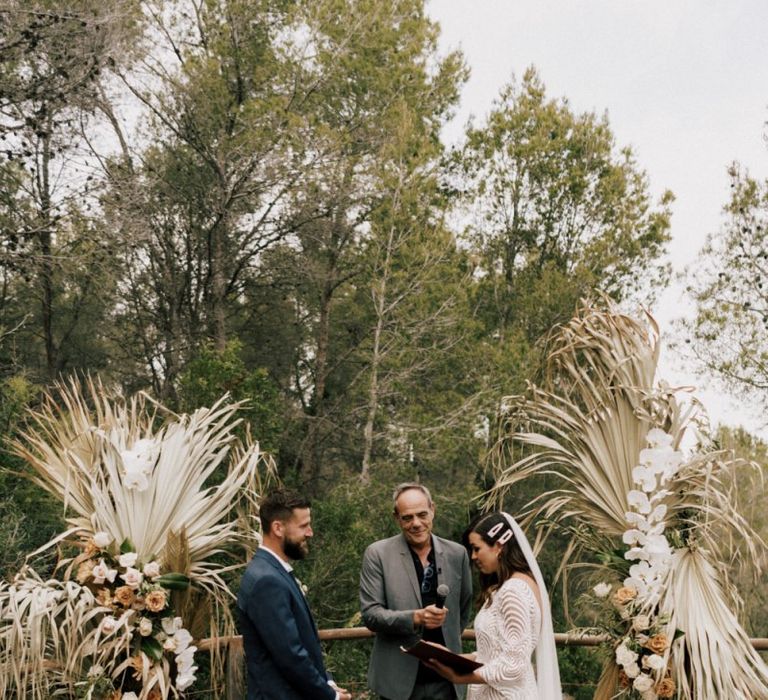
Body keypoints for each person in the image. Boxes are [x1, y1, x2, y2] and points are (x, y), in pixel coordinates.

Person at [424, 511, 562, 700]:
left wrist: (460, 677)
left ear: (498, 546)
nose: (473, 556)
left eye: (476, 548)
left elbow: (514, 666)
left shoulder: (513, 590)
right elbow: (494, 654)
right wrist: (451, 657)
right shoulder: (514, 585)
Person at [360, 483, 473, 700]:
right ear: (396, 518)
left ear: (433, 509)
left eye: (422, 514)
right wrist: (416, 617)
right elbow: (371, 615)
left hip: (447, 683)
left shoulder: (457, 554)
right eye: (407, 517)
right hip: (397, 685)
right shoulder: (377, 554)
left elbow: (463, 610)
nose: (416, 523)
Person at [237, 489, 351, 700]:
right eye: (303, 526)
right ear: (278, 528)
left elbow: (303, 641)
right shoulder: (266, 580)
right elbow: (289, 655)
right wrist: (330, 696)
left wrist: (328, 680)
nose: (310, 532)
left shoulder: (273, 570)